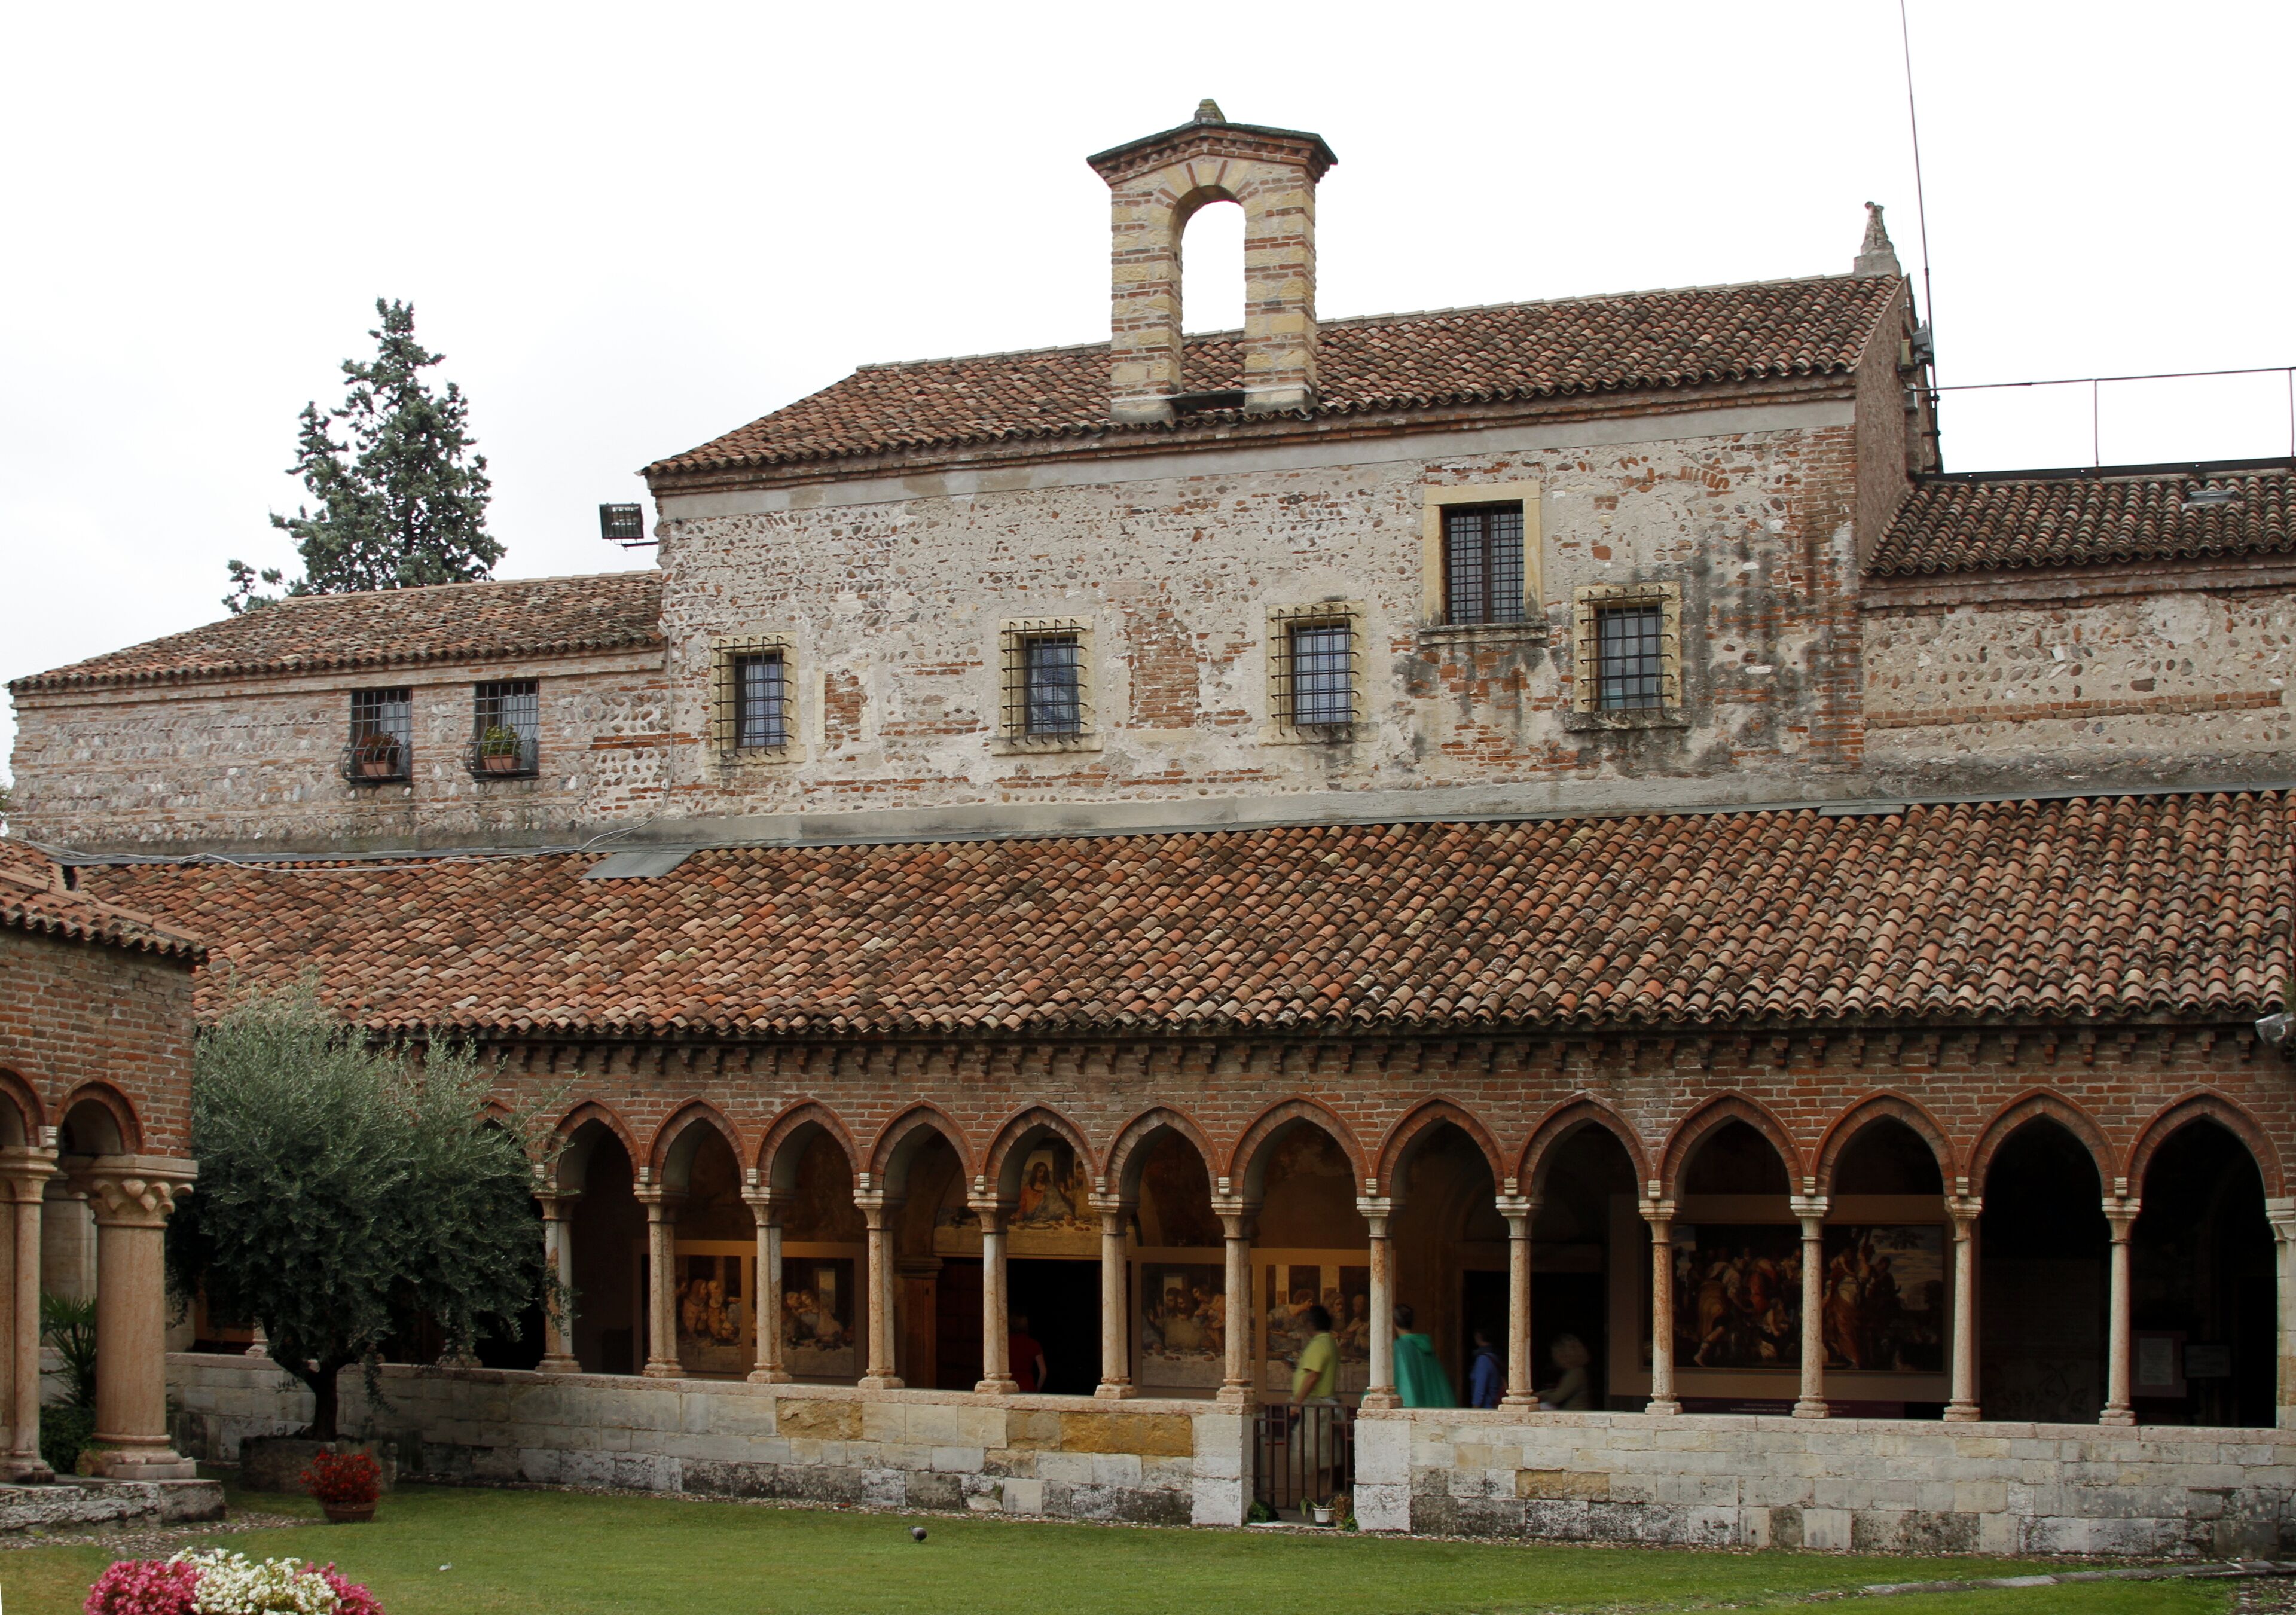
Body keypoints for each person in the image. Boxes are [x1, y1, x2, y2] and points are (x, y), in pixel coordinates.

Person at [1289, 1303, 1340, 1503]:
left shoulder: (1320, 1344)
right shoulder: (1329, 1342)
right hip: (1319, 1406)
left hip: (1315, 1407)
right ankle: (1319, 1496)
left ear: (1311, 1324)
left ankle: (1318, 1498)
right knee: (1320, 1456)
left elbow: (1313, 1376)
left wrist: (1297, 1402)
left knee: (1315, 1456)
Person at [1390, 1302, 1455, 1408]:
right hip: (1432, 1407)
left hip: (1410, 1409)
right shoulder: (1425, 1344)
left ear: (1394, 1322)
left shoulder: (1399, 1347)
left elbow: (1403, 1384)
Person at [1540, 1334, 1592, 1410]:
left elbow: (1557, 1398)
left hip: (1576, 1414)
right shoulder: (1574, 1371)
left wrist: (1542, 1395)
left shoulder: (1576, 1373)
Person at [1009, 1311, 1049, 1393]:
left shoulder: (1004, 1345)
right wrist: (1037, 1390)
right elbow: (1043, 1372)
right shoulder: (1034, 1344)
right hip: (1028, 1387)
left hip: (1009, 1387)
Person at [1467, 1328, 1503, 1409]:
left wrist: (1475, 1408)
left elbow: (1480, 1388)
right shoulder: (1495, 1356)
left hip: (1486, 1408)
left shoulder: (1483, 1360)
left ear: (1478, 1336)